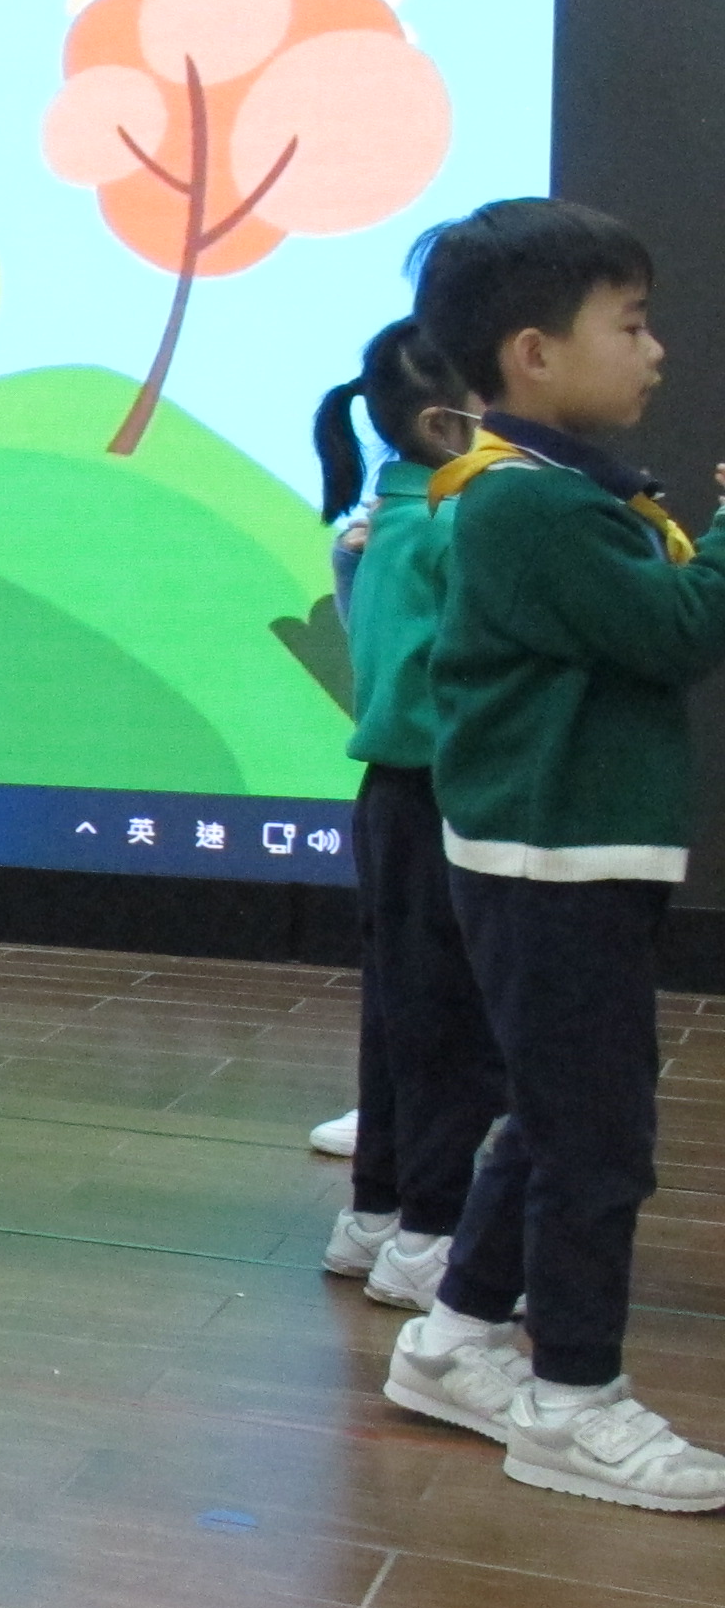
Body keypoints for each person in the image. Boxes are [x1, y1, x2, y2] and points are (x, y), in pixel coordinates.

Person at [388, 199, 725, 1509]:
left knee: (555, 1110)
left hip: (567, 855)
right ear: (533, 354)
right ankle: (571, 1400)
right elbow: (674, 631)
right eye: (630, 326)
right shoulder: (527, 505)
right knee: (597, 1141)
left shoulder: (550, 491)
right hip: (553, 861)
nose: (656, 352)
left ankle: (456, 1339)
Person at [312, 322, 495, 1311]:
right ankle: (430, 1233)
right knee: (448, 1029)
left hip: (393, 796)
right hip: (439, 792)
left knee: (400, 1017)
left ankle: (377, 1213)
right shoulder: (453, 521)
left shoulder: (383, 516)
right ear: (444, 420)